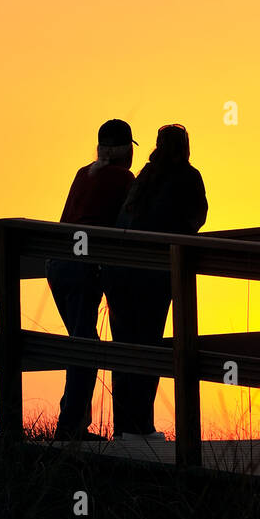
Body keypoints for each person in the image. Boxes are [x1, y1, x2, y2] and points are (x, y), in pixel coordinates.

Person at [103, 123, 208, 438]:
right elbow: (196, 218)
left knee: (124, 347)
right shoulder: (189, 177)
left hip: (119, 272)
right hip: (153, 274)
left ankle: (124, 427)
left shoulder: (143, 177)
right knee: (149, 347)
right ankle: (142, 427)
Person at [46, 118, 137, 441]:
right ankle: (69, 427)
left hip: (56, 264)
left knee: (80, 342)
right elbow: (130, 224)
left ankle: (74, 420)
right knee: (85, 347)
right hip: (82, 269)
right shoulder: (124, 180)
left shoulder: (83, 173)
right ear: (127, 151)